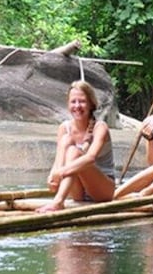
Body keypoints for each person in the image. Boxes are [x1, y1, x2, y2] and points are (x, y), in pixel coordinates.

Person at [36, 81, 116, 212]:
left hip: (102, 191)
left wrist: (60, 172)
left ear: (91, 104)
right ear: (68, 104)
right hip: (77, 191)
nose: (77, 106)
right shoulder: (64, 128)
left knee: (74, 152)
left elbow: (90, 158)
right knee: (67, 140)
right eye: (73, 102)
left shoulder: (100, 127)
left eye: (82, 101)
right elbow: (58, 162)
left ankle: (58, 201)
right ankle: (59, 197)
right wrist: (52, 178)